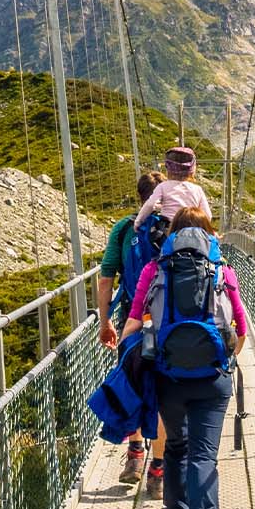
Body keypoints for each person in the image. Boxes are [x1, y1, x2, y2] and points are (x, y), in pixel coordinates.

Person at [118, 207, 247, 509]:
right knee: (203, 454)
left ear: (171, 236)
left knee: (175, 446)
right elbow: (241, 329)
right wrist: (225, 362)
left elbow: (132, 323)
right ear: (208, 237)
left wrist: (129, 359)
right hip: (213, 378)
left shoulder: (153, 270)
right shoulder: (223, 271)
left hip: (168, 376)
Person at [97, 172, 166, 488]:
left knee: (133, 380)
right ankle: (159, 468)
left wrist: (104, 321)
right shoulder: (175, 227)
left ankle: (135, 454)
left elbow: (106, 276)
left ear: (139, 196)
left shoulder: (125, 228)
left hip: (132, 318)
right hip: (168, 320)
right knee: (166, 388)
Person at [133, 147, 211, 229]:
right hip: (191, 229)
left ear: (168, 167)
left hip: (169, 229)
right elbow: (208, 215)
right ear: (192, 169)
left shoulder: (163, 186)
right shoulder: (197, 189)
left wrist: (138, 222)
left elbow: (150, 204)